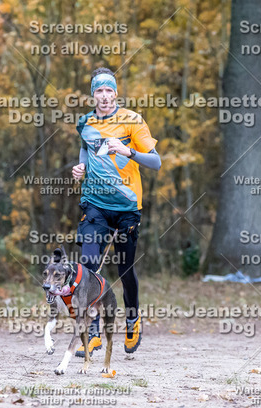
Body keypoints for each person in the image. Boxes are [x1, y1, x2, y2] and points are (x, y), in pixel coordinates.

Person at [72, 67, 161, 356]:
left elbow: (156, 162)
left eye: (109, 90)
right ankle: (94, 332)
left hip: (126, 208)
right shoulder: (85, 122)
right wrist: (81, 167)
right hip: (94, 205)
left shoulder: (132, 120)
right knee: (88, 266)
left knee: (125, 270)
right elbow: (86, 149)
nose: (104, 95)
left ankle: (132, 319)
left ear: (116, 93)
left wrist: (128, 152)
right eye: (99, 90)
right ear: (92, 94)